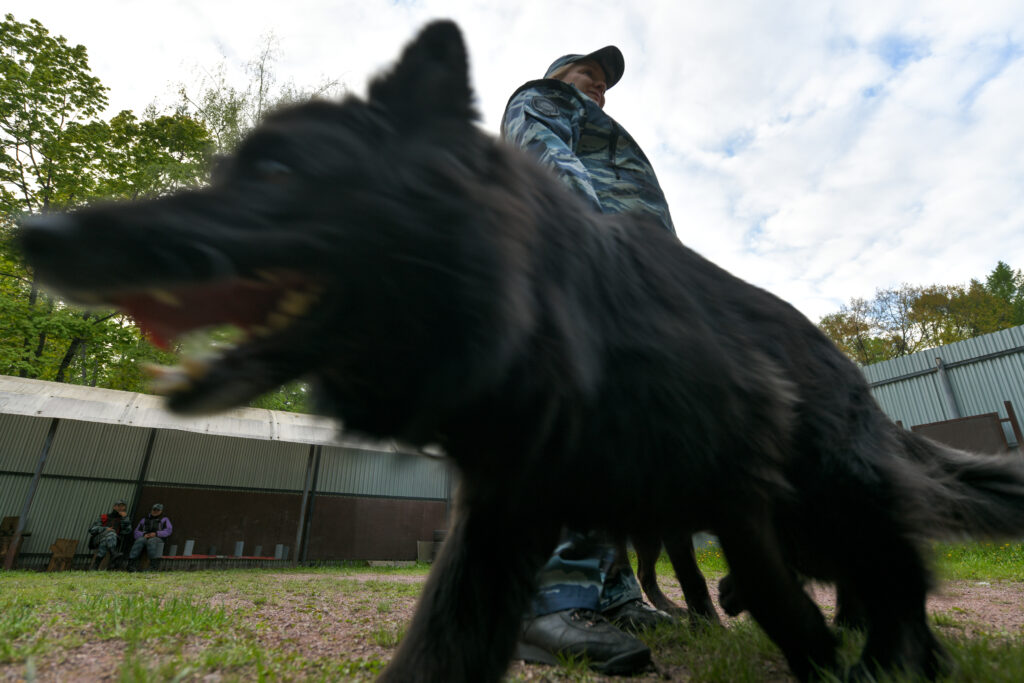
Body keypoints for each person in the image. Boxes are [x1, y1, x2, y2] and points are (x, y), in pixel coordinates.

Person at [501, 47, 677, 674]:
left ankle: (610, 595)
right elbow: (545, 167)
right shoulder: (542, 100)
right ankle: (547, 606)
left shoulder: (586, 116)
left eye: (605, 85)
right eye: (590, 77)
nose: (600, 88)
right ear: (557, 77)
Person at [87, 499, 131, 570]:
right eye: (118, 506)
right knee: (111, 533)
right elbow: (92, 529)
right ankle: (113, 553)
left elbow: (127, 531)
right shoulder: (104, 517)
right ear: (114, 507)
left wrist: (125, 519)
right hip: (98, 539)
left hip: (113, 540)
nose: (120, 508)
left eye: (123, 506)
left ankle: (95, 566)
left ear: (125, 508)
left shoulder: (124, 519)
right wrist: (105, 529)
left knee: (106, 540)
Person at [127, 503, 172, 571]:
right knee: (139, 541)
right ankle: (131, 565)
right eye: (154, 509)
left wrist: (156, 534)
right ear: (151, 510)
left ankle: (153, 566)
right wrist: (144, 534)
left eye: (158, 510)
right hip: (145, 537)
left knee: (152, 541)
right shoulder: (144, 519)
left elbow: (168, 531)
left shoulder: (164, 519)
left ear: (161, 511)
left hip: (158, 538)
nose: (155, 511)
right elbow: (136, 532)